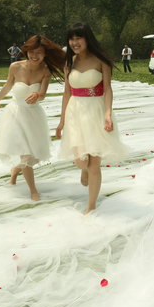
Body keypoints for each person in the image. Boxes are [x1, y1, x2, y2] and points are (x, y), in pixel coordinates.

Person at [56, 22, 128, 214]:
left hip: (95, 110)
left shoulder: (100, 60)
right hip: (74, 112)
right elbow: (66, 93)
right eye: (71, 38)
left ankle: (91, 205)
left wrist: (107, 113)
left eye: (78, 38)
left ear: (87, 38)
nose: (74, 42)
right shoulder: (69, 63)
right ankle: (83, 168)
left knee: (94, 161)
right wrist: (62, 120)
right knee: (81, 160)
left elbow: (107, 89)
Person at [0, 35, 65, 201]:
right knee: (25, 155)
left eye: (39, 52)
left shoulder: (45, 70)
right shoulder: (15, 67)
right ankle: (33, 191)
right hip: (15, 114)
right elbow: (8, 85)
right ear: (26, 51)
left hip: (33, 116)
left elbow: (44, 94)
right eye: (32, 52)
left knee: (34, 156)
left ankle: (16, 170)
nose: (34, 55)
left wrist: (37, 94)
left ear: (45, 54)